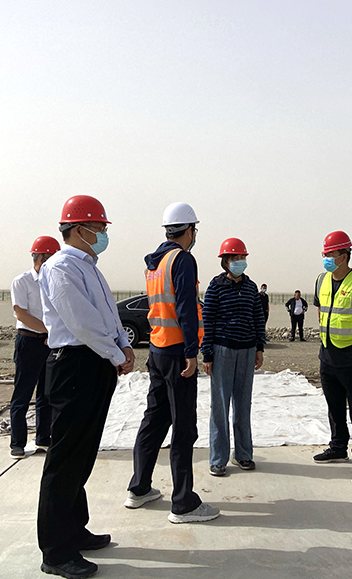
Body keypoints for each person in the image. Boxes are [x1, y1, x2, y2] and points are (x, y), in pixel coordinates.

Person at [36, 195, 134, 579]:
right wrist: (115, 353)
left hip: (94, 363)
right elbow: (81, 322)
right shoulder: (61, 267)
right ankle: (56, 550)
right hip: (74, 365)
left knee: (82, 453)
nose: (104, 234)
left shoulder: (89, 267)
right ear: (79, 229)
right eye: (100, 228)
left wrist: (123, 344)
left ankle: (75, 530)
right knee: (65, 459)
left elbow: (107, 314)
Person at [126, 202, 220, 524]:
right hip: (179, 354)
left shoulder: (154, 263)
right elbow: (185, 309)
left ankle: (139, 488)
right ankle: (183, 503)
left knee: (154, 420)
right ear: (189, 229)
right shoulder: (182, 260)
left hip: (157, 350)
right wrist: (193, 352)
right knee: (183, 427)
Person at [201, 237, 266, 476]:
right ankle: (218, 458)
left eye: (243, 258)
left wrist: (259, 347)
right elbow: (208, 320)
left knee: (243, 404)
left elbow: (258, 317)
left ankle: (243, 454)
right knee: (220, 406)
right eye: (235, 258)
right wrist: (207, 354)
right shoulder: (216, 286)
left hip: (247, 350)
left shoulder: (250, 287)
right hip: (223, 350)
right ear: (226, 261)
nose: (240, 261)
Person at [312, 231, 352, 476]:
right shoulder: (321, 280)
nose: (326, 258)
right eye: (324, 253)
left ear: (344, 255)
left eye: (330, 254)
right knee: (334, 407)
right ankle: (338, 447)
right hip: (328, 355)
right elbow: (321, 310)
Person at [8, 235, 59, 460]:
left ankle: (43, 438)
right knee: (22, 394)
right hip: (29, 341)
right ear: (40, 258)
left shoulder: (55, 282)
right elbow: (21, 314)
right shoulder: (22, 281)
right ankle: (17, 443)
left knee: (46, 394)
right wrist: (48, 332)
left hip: (49, 343)